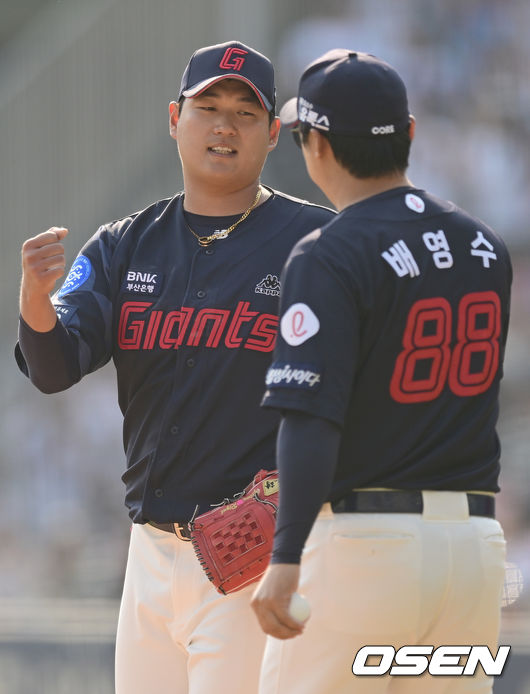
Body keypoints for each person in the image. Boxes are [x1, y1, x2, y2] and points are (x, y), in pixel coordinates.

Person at [15, 40, 335, 694]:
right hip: (150, 553)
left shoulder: (317, 245)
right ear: (173, 119)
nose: (224, 124)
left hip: (251, 554)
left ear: (273, 133)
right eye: (207, 105)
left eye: (245, 114)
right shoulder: (123, 244)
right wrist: (32, 299)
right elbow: (53, 367)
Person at [251, 49, 512, 694]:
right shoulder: (486, 247)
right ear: (410, 134)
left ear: (314, 146)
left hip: (367, 552)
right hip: (475, 552)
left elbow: (310, 418)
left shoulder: (328, 253)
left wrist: (285, 557)